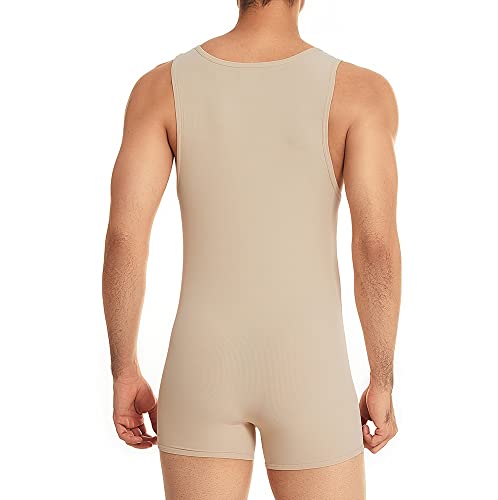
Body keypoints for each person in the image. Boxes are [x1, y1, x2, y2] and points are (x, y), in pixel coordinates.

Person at [102, 0, 401, 498]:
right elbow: (375, 245)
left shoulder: (160, 88)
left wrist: (123, 369)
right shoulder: (361, 92)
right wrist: (382, 377)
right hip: (311, 368)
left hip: (201, 364)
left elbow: (124, 237)